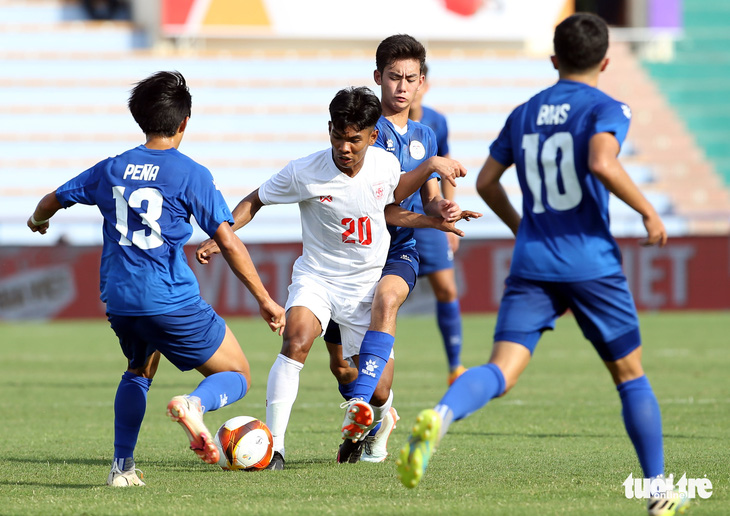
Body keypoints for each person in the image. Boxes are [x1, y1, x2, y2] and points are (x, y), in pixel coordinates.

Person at [397, 13, 686, 516]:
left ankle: (443, 414)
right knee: (630, 375)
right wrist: (647, 210)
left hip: (533, 260)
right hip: (590, 260)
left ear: (554, 60)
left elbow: (487, 182)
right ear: (606, 61)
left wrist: (520, 227)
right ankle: (659, 491)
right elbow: (601, 161)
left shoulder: (524, 112)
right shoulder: (607, 106)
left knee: (501, 370)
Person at [27, 71, 286, 487]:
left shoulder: (110, 169)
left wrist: (38, 220)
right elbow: (229, 242)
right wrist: (265, 299)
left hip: (121, 301)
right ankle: (194, 404)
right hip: (170, 299)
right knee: (238, 374)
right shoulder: (190, 174)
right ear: (184, 122)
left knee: (138, 371)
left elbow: (51, 201)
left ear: (140, 118)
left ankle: (121, 467)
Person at [195, 86, 470, 470]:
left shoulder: (386, 166)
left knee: (378, 389)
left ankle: (382, 416)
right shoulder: (304, 170)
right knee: (296, 339)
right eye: (339, 137)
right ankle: (276, 449)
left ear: (373, 137)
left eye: (355, 140)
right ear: (329, 131)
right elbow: (254, 200)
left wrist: (431, 219)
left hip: (365, 284)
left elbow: (388, 210)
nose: (345, 148)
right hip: (318, 278)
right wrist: (221, 234)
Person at [328, 34, 481, 465]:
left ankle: (358, 408)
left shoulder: (424, 134)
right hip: (349, 254)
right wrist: (430, 167)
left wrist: (442, 207)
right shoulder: (362, 134)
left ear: (421, 82)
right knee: (345, 367)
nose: (401, 86)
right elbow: (387, 196)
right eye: (394, 76)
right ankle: (379, 415)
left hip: (398, 250)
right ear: (378, 77)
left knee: (389, 297)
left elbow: (427, 196)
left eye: (410, 78)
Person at [409, 62, 467, 385]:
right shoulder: (381, 124)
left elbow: (446, 169)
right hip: (396, 219)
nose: (411, 87)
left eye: (417, 80)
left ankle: (455, 366)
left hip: (430, 220)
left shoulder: (436, 122)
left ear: (424, 85)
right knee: (380, 296)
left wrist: (449, 211)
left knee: (447, 289)